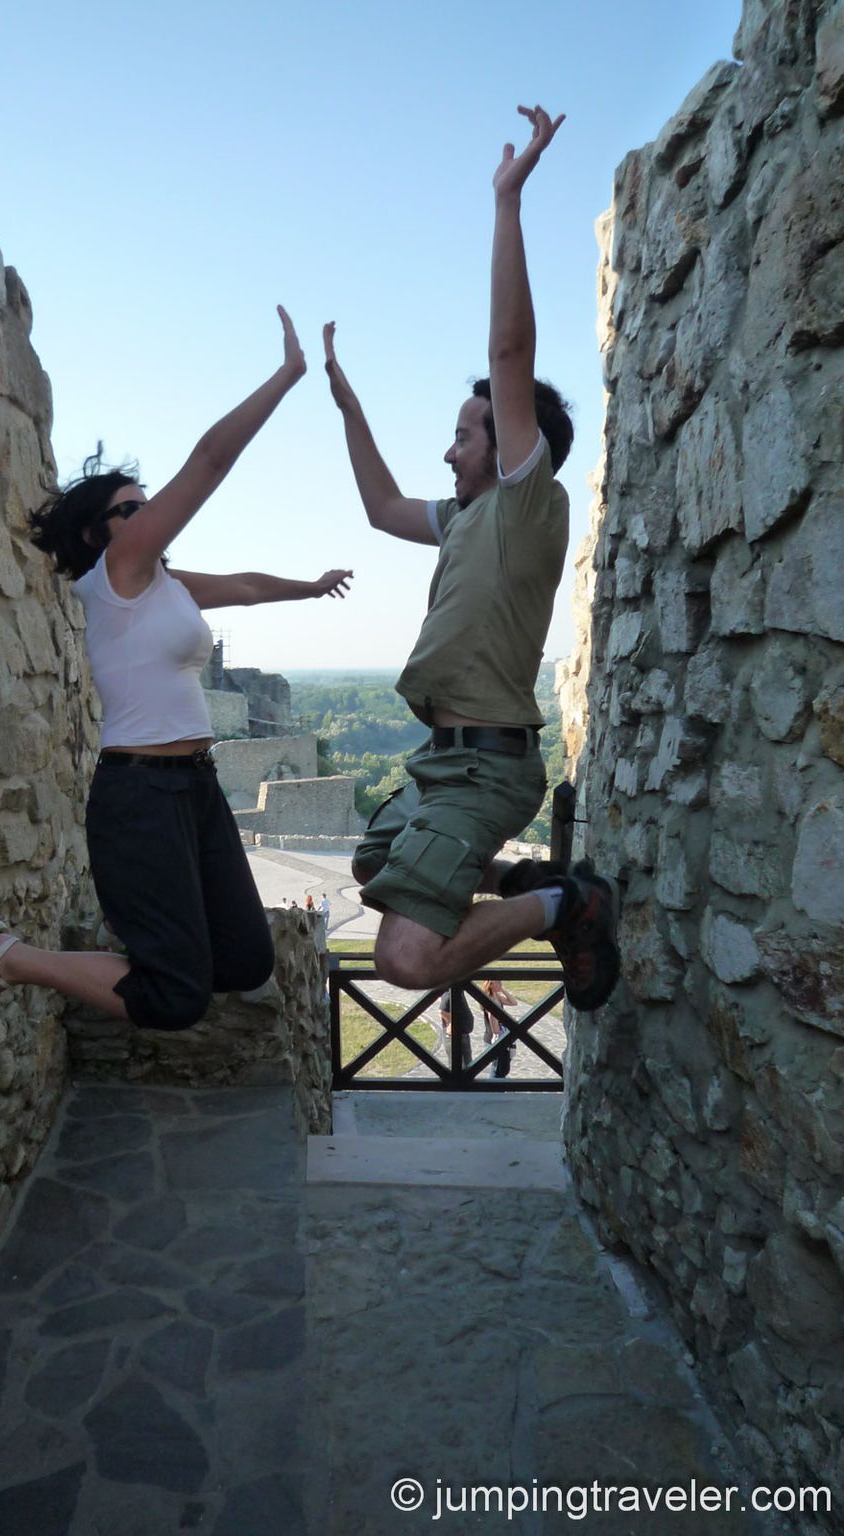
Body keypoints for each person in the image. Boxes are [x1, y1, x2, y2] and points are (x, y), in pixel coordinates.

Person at [0, 307, 353, 1032]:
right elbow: (210, 461)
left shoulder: (165, 584)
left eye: (144, 505)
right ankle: (11, 957)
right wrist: (288, 375)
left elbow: (246, 586)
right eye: (129, 510)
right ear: (99, 533)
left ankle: (130, 933)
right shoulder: (116, 574)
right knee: (176, 998)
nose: (143, 515)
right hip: (138, 793)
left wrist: (310, 587)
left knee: (246, 961)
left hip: (195, 787)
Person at [323, 106, 618, 1012]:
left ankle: (566, 903)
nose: (449, 451)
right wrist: (348, 408)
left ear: (514, 442)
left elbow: (508, 350)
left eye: (464, 435)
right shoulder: (464, 517)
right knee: (374, 862)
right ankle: (524, 880)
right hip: (439, 763)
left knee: (406, 959)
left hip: (488, 766)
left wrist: (507, 202)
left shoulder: (529, 502)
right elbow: (381, 510)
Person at [438, 988, 474, 1069]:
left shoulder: (459, 992)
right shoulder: (451, 993)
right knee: (459, 1066)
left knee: (467, 1065)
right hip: (455, 1036)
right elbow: (442, 1011)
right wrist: (453, 1021)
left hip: (463, 1034)